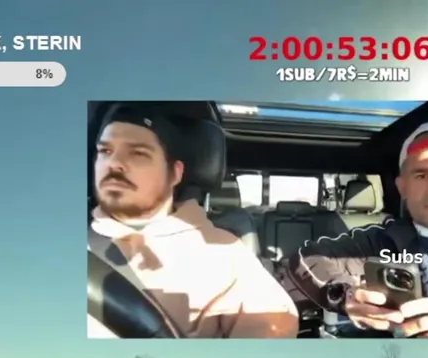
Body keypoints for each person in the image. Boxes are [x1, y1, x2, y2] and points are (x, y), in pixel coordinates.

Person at [88, 104, 298, 338]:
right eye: (105, 151)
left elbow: (273, 322)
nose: (113, 162)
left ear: (175, 173)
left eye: (138, 153)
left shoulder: (223, 251)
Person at [289, 120, 428, 339]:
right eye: (421, 175)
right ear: (402, 187)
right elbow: (305, 258)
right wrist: (345, 296)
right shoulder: (381, 240)